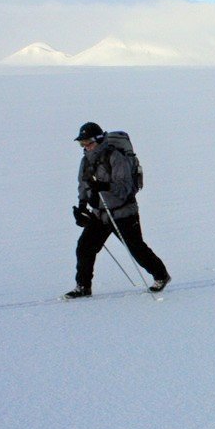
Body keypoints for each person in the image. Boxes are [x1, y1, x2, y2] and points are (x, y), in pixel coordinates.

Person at [66, 122, 170, 298]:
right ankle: (83, 287)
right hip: (100, 214)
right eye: (82, 143)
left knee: (136, 249)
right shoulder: (86, 160)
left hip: (123, 212)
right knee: (84, 247)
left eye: (88, 142)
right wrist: (82, 207)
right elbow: (83, 185)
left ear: (99, 140)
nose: (85, 147)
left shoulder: (115, 157)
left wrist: (104, 185)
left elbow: (125, 188)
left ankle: (161, 276)